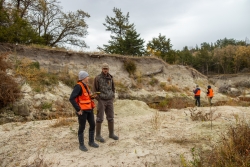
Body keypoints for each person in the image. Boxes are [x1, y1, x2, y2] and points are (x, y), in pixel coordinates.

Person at [69, 71, 99, 152]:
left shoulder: (86, 86)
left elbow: (86, 98)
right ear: (83, 78)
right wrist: (78, 109)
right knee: (82, 127)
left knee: (92, 124)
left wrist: (92, 97)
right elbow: (71, 98)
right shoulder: (78, 86)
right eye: (87, 76)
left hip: (89, 109)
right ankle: (81, 145)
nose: (88, 78)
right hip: (82, 111)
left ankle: (91, 142)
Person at [93, 63, 119, 143]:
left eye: (106, 69)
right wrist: (99, 99)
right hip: (101, 100)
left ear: (108, 69)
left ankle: (111, 134)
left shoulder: (110, 77)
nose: (105, 70)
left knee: (111, 117)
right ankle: (97, 135)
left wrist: (112, 96)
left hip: (109, 100)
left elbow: (113, 88)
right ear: (102, 69)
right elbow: (94, 90)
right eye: (104, 68)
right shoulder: (97, 78)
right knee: (99, 118)